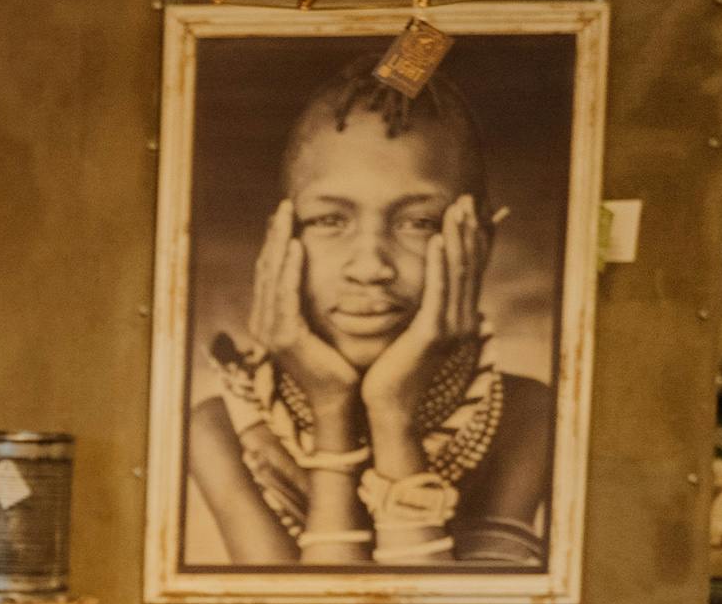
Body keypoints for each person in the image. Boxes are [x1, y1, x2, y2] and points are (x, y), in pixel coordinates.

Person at [184, 56, 554, 571]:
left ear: (480, 243)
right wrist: (331, 408)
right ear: (281, 240)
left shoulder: (527, 415)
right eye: (330, 219)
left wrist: (393, 412)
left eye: (418, 222)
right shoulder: (223, 428)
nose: (370, 266)